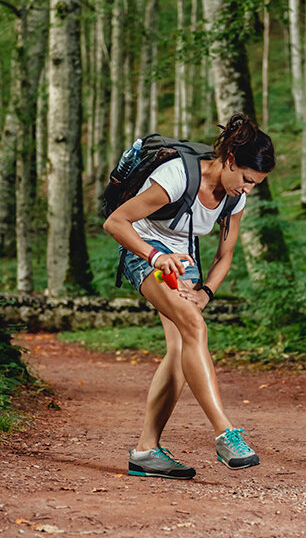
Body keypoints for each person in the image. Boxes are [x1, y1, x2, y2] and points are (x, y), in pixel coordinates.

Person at [102, 114, 274, 480]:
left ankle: (146, 451)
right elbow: (115, 222)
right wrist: (155, 256)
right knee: (194, 328)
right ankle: (225, 433)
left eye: (255, 184)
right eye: (246, 179)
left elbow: (225, 255)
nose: (248, 190)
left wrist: (206, 293)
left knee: (181, 349)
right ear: (230, 159)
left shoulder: (234, 199)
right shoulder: (177, 176)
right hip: (144, 249)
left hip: (183, 261)